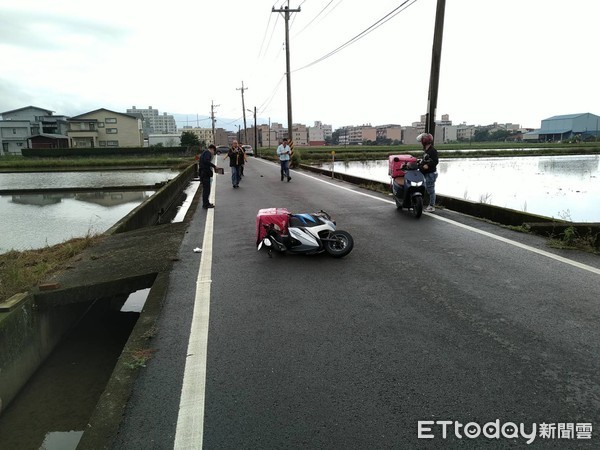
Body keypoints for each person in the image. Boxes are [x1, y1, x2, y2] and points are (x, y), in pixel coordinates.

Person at [417, 132, 439, 212]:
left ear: (424, 141)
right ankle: (421, 203)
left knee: (430, 190)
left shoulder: (432, 150)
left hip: (430, 173)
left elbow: (435, 161)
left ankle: (432, 206)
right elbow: (425, 160)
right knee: (424, 188)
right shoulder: (426, 150)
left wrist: (428, 165)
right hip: (425, 173)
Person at [199, 144, 219, 209]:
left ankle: (206, 203)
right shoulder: (207, 153)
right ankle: (205, 204)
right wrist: (214, 166)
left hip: (203, 173)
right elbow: (206, 161)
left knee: (206, 190)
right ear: (212, 149)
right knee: (206, 190)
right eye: (214, 151)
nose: (213, 153)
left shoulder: (204, 153)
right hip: (205, 174)